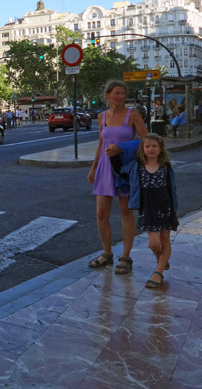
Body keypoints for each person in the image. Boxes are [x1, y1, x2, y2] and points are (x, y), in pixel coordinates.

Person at [87, 80, 148, 274]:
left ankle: (126, 257)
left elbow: (148, 140)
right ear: (108, 95)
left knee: (125, 212)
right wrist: (93, 168)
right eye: (117, 93)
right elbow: (100, 143)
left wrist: (123, 147)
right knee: (101, 213)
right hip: (105, 168)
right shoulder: (102, 116)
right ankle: (107, 253)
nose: (121, 96)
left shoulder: (133, 114)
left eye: (123, 93)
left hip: (125, 168)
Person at [110, 134, 178, 288]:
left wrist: (174, 208)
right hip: (147, 208)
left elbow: (172, 189)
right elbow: (120, 171)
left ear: (160, 148)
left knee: (165, 240)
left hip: (165, 206)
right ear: (143, 149)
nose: (151, 149)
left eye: (154, 146)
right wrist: (113, 154)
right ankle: (161, 260)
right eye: (147, 146)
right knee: (153, 244)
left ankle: (158, 271)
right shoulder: (136, 166)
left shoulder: (166, 167)